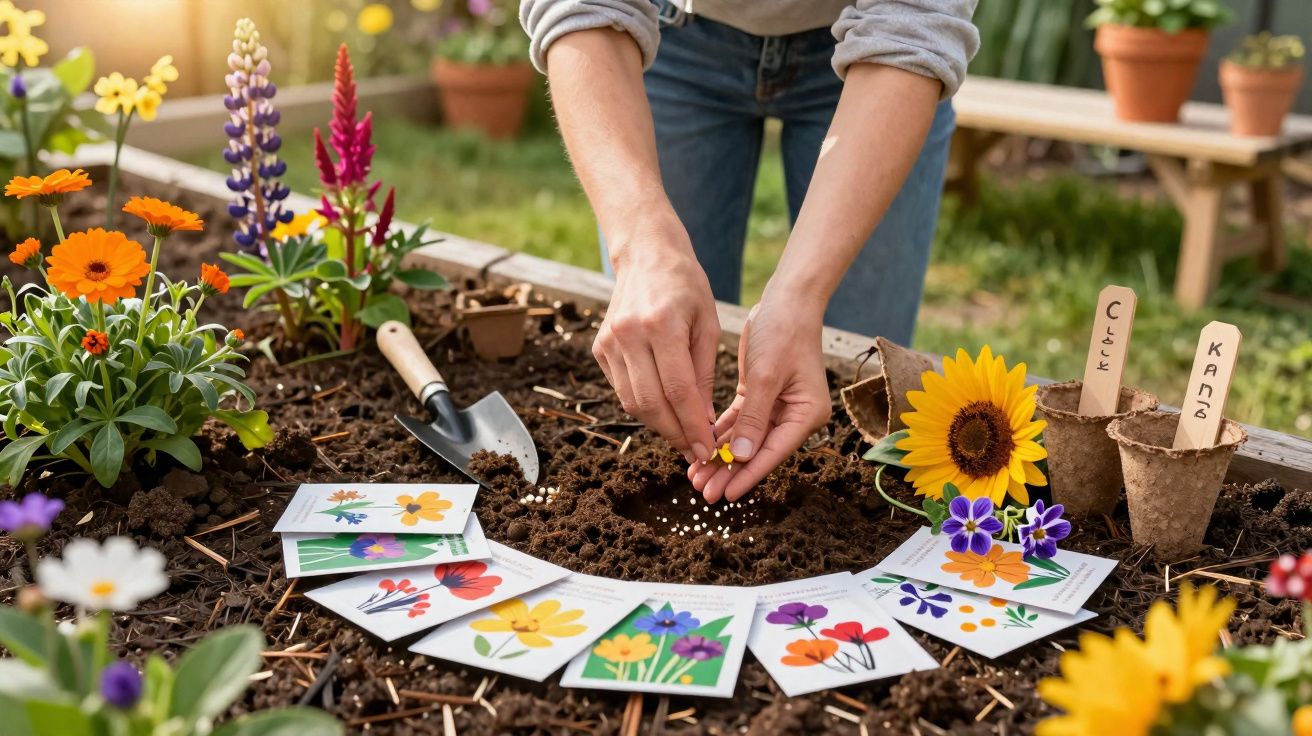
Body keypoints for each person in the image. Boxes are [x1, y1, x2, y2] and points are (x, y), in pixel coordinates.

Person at [520, 0, 979, 503]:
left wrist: (799, 298)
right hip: (672, 41)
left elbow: (909, 23)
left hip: (882, 61)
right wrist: (641, 246)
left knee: (863, 390)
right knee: (660, 349)